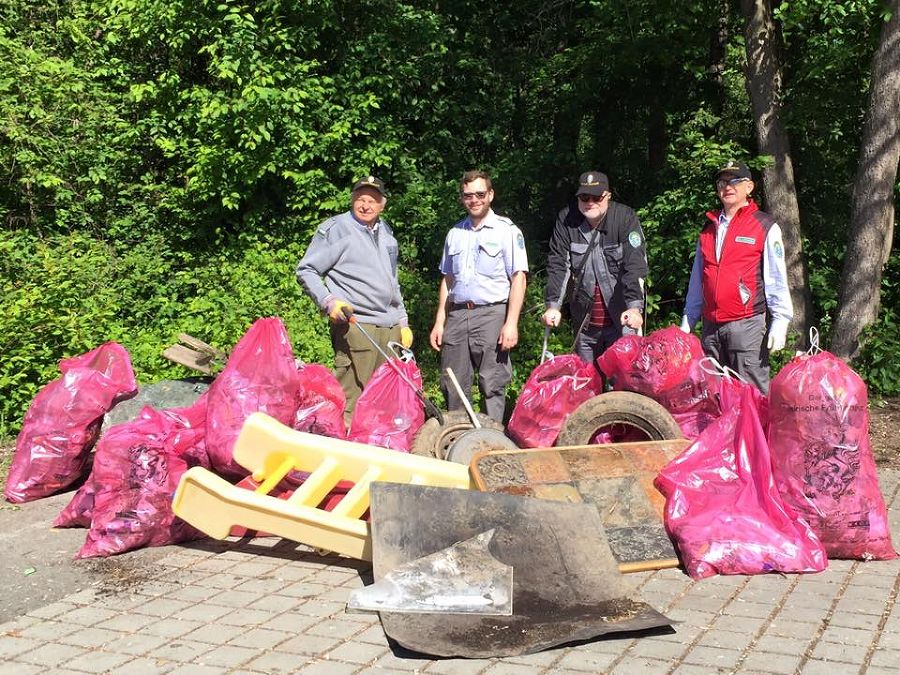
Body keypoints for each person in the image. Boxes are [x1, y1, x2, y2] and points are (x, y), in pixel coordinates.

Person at [296, 175, 413, 421]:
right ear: (352, 200)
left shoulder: (386, 232)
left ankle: (376, 448)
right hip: (356, 324)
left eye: (373, 200)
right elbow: (307, 270)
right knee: (352, 398)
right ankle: (343, 446)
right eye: (360, 199)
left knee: (383, 399)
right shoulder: (336, 229)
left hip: (389, 328)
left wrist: (402, 320)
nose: (365, 205)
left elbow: (393, 280)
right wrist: (328, 301)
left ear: (383, 204)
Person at [680, 161, 793, 394]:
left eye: (734, 181)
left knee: (750, 395)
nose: (727, 187)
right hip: (711, 327)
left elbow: (776, 278)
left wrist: (780, 322)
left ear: (749, 187)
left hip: (747, 325)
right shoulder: (709, 228)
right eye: (722, 182)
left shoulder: (764, 225)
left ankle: (756, 432)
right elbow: (699, 278)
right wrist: (688, 318)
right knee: (714, 394)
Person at [429, 170, 528, 422]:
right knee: (453, 381)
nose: (474, 200)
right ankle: (457, 439)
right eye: (468, 195)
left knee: (492, 381)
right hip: (458, 313)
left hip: (492, 314)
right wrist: (440, 320)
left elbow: (518, 278)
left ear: (490, 195)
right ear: (462, 198)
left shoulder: (507, 231)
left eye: (480, 194)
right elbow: (447, 279)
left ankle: (492, 439)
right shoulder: (455, 233)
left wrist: (511, 323)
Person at [542, 171, 649, 365]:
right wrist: (553, 306)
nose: (590, 202)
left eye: (597, 197)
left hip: (622, 321)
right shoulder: (567, 220)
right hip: (585, 325)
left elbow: (635, 266)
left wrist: (634, 309)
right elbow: (558, 264)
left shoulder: (625, 218)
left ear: (608, 196)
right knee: (588, 386)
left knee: (624, 387)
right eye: (584, 197)